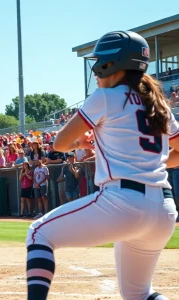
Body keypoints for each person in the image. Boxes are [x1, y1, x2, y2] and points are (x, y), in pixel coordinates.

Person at [26, 31, 178, 300]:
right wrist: (150, 163)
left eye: (99, 63)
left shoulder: (105, 96)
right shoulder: (160, 105)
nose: (95, 70)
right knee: (139, 294)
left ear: (111, 64)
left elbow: (59, 143)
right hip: (164, 209)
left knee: (38, 232)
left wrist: (81, 144)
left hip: (124, 202)